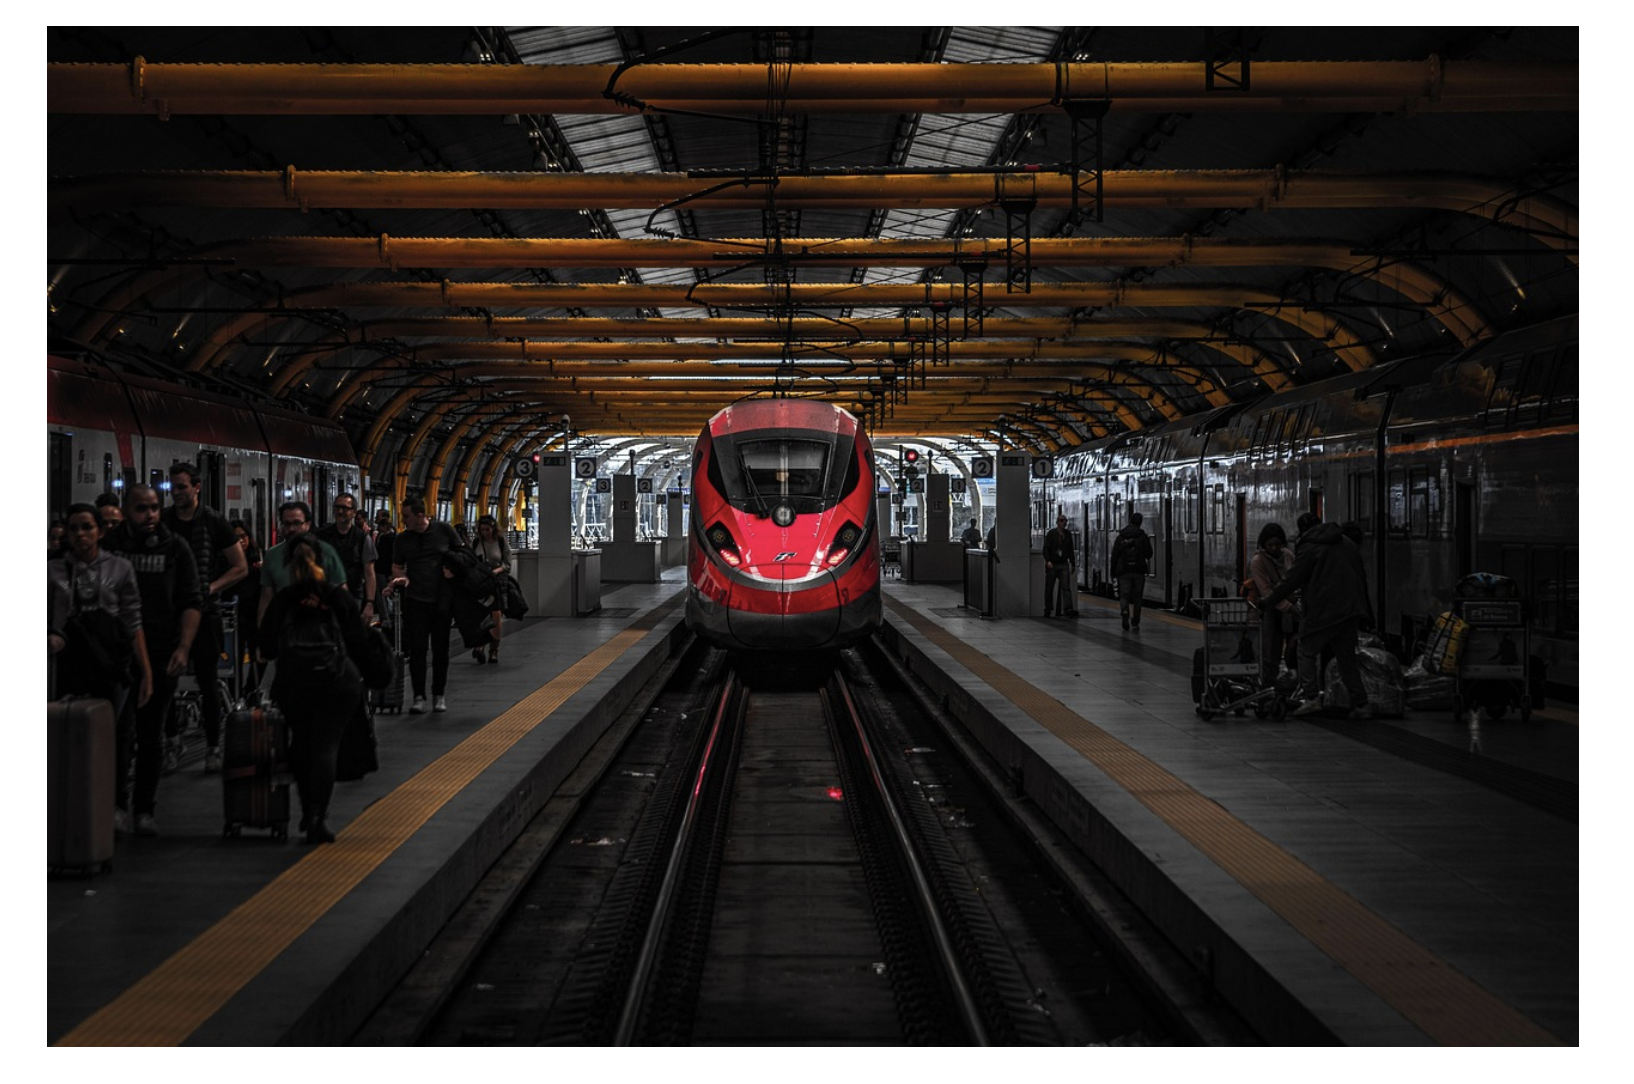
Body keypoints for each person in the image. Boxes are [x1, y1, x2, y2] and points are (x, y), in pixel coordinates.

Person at [258, 534, 371, 845]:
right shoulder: (337, 596)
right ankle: (319, 817)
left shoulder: (285, 599)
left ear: (288, 565)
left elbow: (267, 645)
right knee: (326, 746)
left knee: (301, 743)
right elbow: (360, 641)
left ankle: (307, 810)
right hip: (336, 682)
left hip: (293, 682)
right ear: (324, 562)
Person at [104, 486, 201, 836]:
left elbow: (191, 600)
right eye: (142, 509)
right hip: (115, 654)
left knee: (151, 734)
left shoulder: (175, 548)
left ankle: (144, 808)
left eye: (155, 508)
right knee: (118, 733)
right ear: (126, 510)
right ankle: (116, 805)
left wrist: (184, 648)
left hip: (161, 652)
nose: (151, 515)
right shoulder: (110, 546)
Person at [50, 504, 152, 836]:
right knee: (66, 734)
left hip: (111, 662)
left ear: (99, 531)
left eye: (87, 527)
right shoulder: (51, 571)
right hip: (67, 664)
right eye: (74, 528)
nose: (80, 534)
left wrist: (145, 670)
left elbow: (133, 619)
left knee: (117, 736)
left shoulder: (120, 568)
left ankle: (115, 804)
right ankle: (69, 805)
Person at [163, 461, 248, 772]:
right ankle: (172, 741)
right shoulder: (164, 522)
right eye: (172, 487)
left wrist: (211, 587)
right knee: (165, 682)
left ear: (197, 487)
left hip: (205, 613)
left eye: (182, 487)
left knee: (208, 681)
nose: (176, 493)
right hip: (170, 613)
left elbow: (240, 567)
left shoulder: (214, 522)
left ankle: (213, 747)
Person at [1263, 512, 1374, 719]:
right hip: (1350, 610)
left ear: (1303, 530)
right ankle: (1361, 704)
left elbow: (1292, 579)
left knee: (1305, 650)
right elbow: (1361, 578)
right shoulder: (1348, 544)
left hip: (1322, 611)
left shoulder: (1309, 547)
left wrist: (1269, 601)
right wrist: (1366, 611)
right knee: (1346, 658)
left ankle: (1312, 698)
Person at [386, 496, 465, 713]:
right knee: (418, 650)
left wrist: (453, 569)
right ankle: (419, 696)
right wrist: (401, 578)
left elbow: (462, 555)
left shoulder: (444, 531)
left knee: (441, 650)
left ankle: (439, 694)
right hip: (415, 601)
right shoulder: (402, 540)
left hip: (442, 602)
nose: (404, 521)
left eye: (407, 517)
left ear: (420, 515)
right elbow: (397, 566)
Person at [259, 501, 349, 626]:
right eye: (287, 524)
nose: (291, 529)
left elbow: (342, 593)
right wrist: (262, 628)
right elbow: (266, 597)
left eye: (297, 523)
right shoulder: (272, 555)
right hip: (285, 627)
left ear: (307, 525)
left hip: (321, 626)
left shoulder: (326, 552)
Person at [316, 492, 378, 627]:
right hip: (326, 596)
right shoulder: (322, 536)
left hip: (353, 596)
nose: (340, 511)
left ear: (354, 512)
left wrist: (370, 603)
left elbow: (369, 573)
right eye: (337, 507)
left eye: (345, 508)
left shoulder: (362, 539)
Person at [1249, 523, 1298, 687]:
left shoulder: (1288, 556)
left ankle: (1280, 684)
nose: (1274, 548)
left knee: (1290, 649)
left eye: (1278, 544)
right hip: (1267, 612)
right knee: (1269, 653)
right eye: (1270, 545)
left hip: (1288, 611)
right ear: (1263, 544)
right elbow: (1266, 592)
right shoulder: (1258, 561)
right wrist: (1290, 607)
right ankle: (1267, 685)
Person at [470, 514, 512, 664]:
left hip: (495, 584)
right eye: (482, 530)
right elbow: (471, 561)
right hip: (480, 584)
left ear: (493, 528)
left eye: (487, 529)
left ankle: (493, 650)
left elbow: (507, 563)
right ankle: (480, 646)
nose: (485, 533)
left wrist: (495, 571)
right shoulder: (476, 543)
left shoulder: (500, 542)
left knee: (495, 617)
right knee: (480, 616)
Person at [1109, 511, 1153, 631]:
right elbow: (1149, 554)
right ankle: (1135, 622)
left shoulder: (1121, 536)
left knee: (1124, 595)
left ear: (1130, 521)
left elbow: (1114, 556)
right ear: (1140, 522)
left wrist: (1113, 572)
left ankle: (1124, 612)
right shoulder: (1142, 536)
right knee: (1137, 597)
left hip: (1123, 571)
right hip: (1139, 571)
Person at [1042, 513, 1078, 617]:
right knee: (1049, 587)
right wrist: (1048, 560)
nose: (1064, 523)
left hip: (1063, 563)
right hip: (1053, 563)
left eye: (1065, 521)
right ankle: (1048, 609)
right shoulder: (1051, 533)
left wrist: (1073, 563)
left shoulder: (1068, 534)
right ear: (1057, 522)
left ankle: (1068, 609)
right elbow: (1046, 548)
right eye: (1061, 520)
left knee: (1066, 587)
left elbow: (1070, 549)